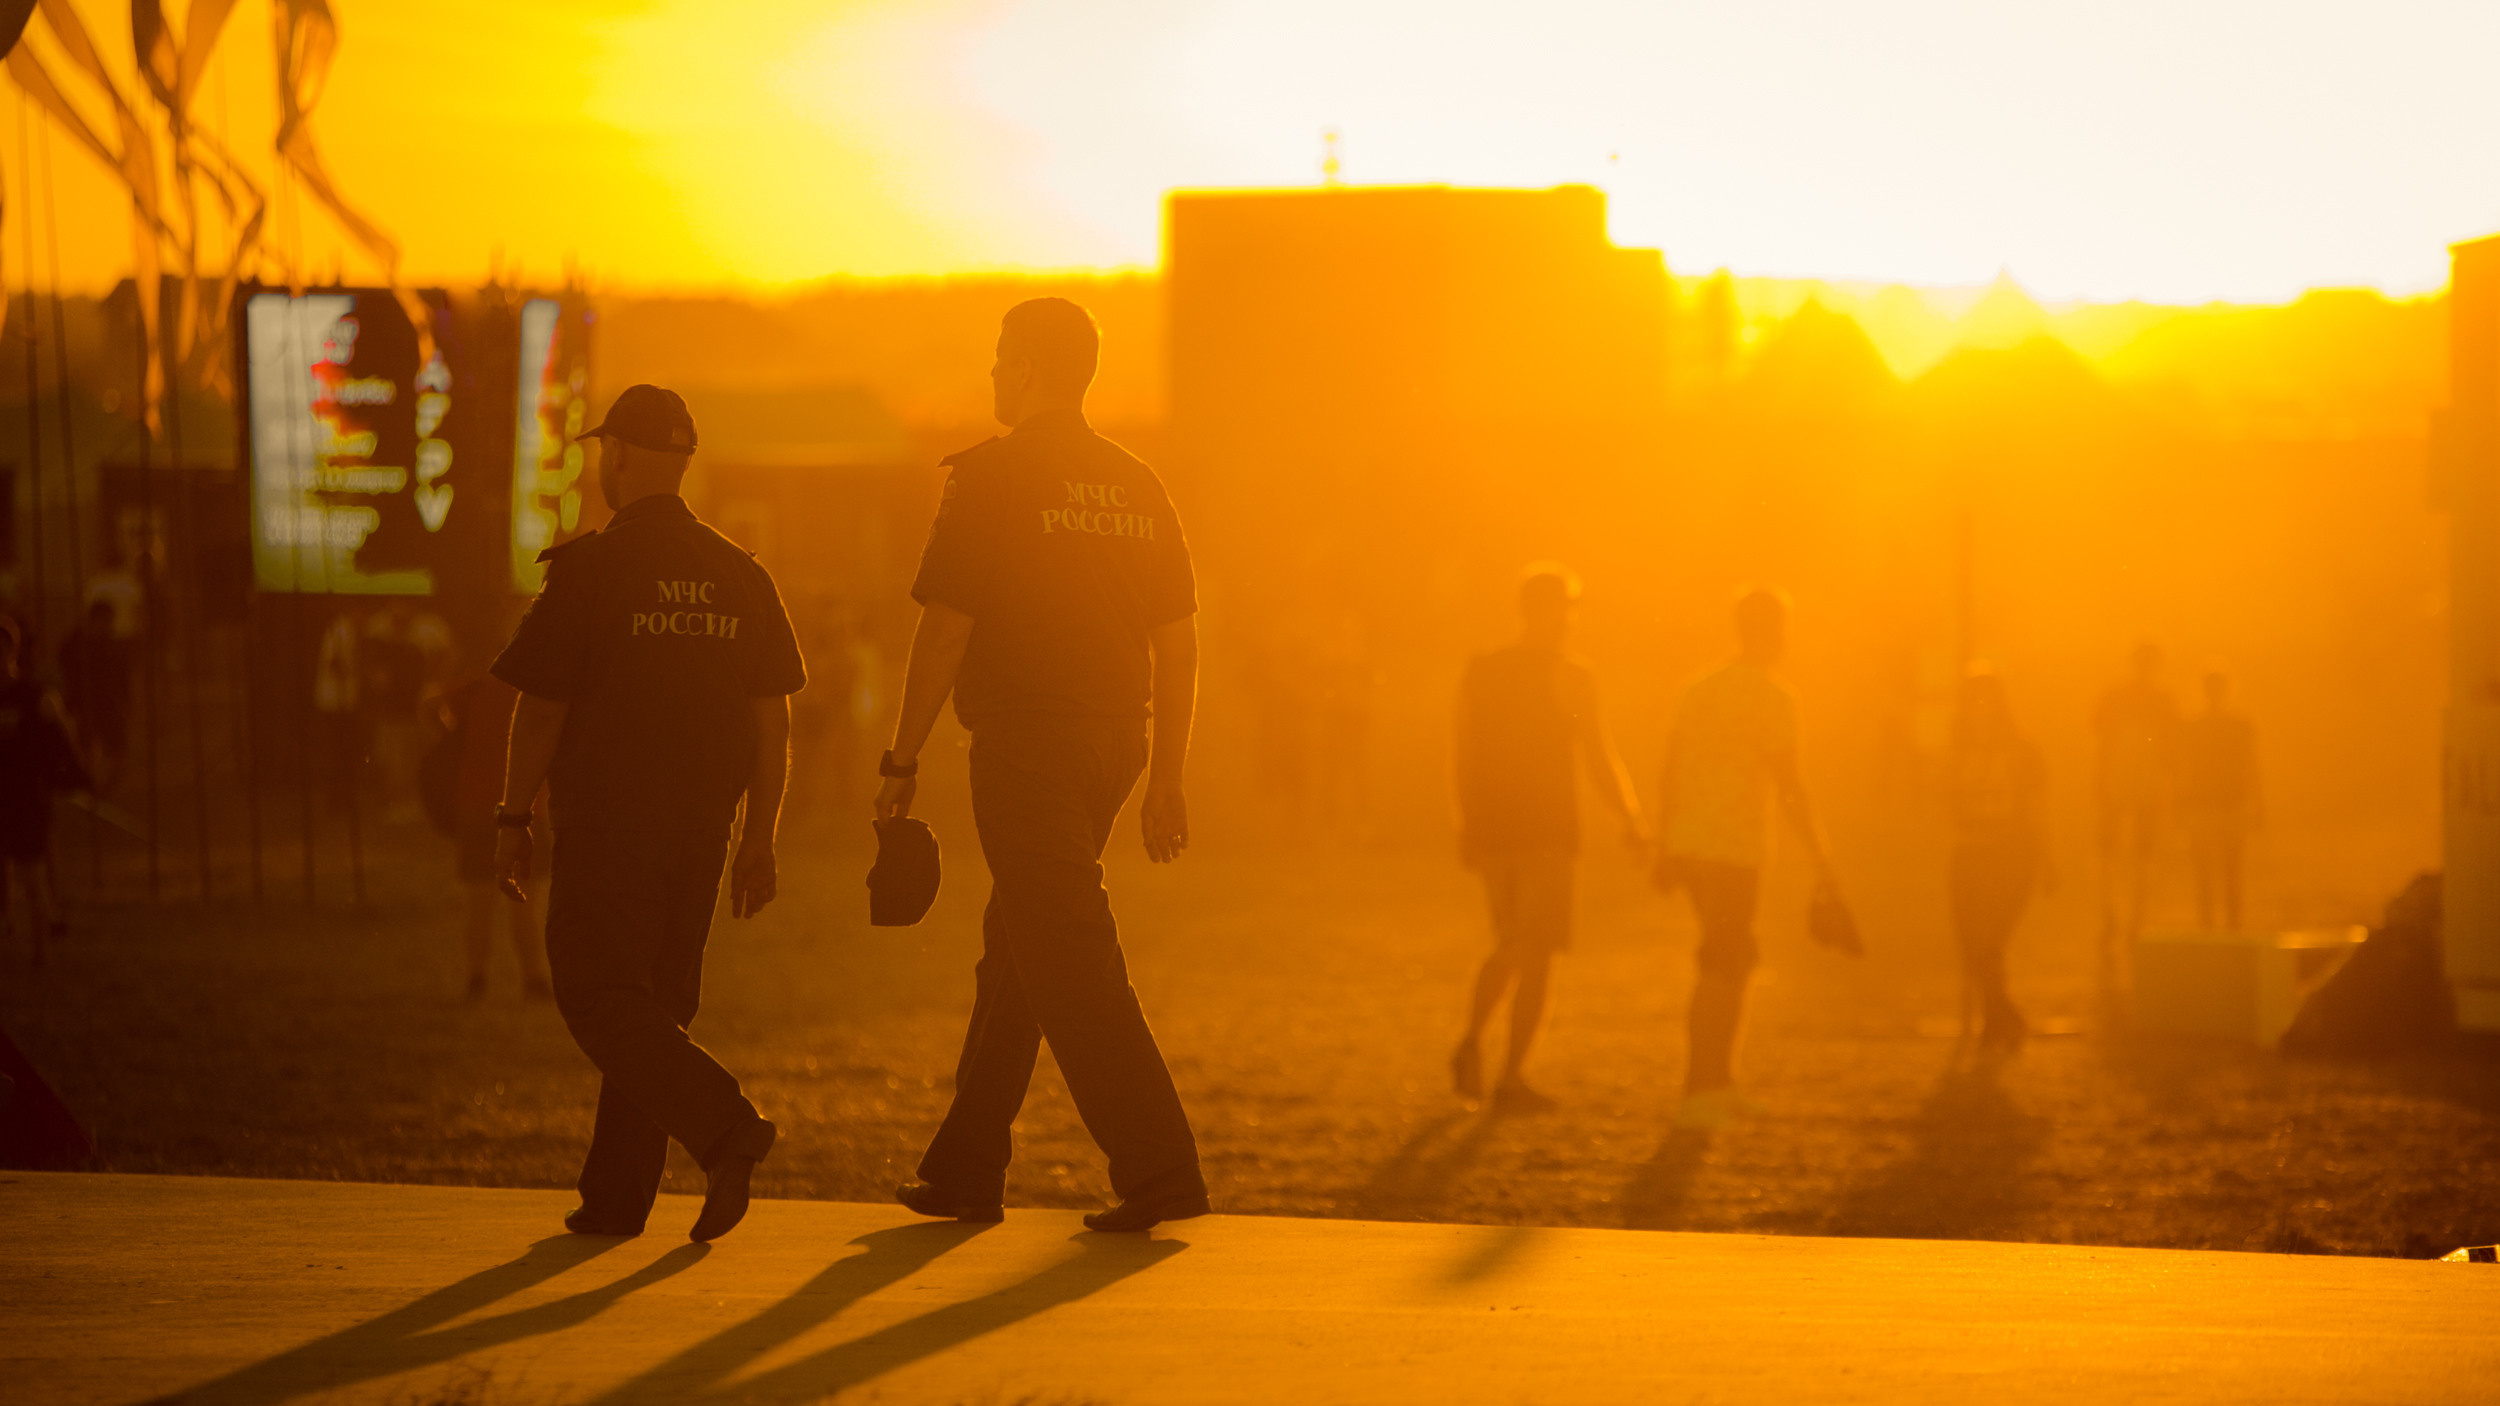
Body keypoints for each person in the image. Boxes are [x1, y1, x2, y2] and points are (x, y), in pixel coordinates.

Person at [880, 297, 1210, 1234]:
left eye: (997, 360)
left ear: (1026, 369)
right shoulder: (1137, 482)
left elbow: (945, 631)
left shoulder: (989, 478)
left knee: (1067, 950)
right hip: (1116, 745)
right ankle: (966, 1165)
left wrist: (900, 756)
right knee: (1019, 947)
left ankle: (1160, 1169)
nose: (989, 377)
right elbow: (1179, 642)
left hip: (1030, 746)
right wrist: (1169, 775)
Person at [491, 383, 806, 1244]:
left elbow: (543, 708)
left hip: (609, 827)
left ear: (619, 457)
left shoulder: (592, 569)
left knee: (597, 995)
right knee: (653, 1013)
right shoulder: (742, 574)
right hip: (704, 831)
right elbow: (772, 722)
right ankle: (616, 1197)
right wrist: (762, 839)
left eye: (604, 452)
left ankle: (726, 1128)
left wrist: (512, 817)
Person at [1449, 566, 1645, 1112]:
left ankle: (1471, 1047)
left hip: (1492, 829)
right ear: (1549, 611)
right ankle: (1509, 1077)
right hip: (1546, 831)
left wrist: (1464, 820)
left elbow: (1461, 753)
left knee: (1512, 942)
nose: (1570, 620)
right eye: (1566, 609)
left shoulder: (1481, 669)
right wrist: (1631, 815)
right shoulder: (1572, 675)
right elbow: (1599, 755)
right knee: (1534, 952)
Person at [1652, 589, 1840, 1129]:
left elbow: (1670, 768)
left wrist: (1666, 845)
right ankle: (1699, 1090)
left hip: (1692, 845)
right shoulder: (1773, 697)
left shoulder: (1698, 689)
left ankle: (1720, 1083)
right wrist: (1820, 852)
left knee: (1733, 958)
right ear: (1776, 632)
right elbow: (1790, 785)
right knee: (1722, 961)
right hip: (1733, 849)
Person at [432, 667, 553, 1002]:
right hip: (526, 805)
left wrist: (449, 737)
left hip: (477, 805)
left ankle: (477, 978)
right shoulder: (542, 688)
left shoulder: (476, 687)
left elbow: (429, 704)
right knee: (525, 902)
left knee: (479, 899)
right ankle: (533, 978)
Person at [1946, 667, 2048, 1053]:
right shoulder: (1958, 750)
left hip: (2011, 856)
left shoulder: (2024, 750)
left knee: (1989, 942)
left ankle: (2004, 1020)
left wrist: (2049, 858)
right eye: (1971, 700)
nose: (1978, 708)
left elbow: (2038, 809)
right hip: (1968, 855)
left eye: (1985, 699)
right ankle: (2001, 1021)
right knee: (1970, 945)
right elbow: (1947, 804)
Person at [0, 615, 88, 971]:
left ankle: (41, 953)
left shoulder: (34, 697)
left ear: (11, 651)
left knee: (33, 876)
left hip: (26, 799)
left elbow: (60, 745)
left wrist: (71, 778)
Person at [2093, 642, 2178, 996]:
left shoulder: (2125, 697)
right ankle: (2123, 920)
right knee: (2122, 856)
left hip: (2131, 782)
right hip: (2132, 782)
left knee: (2121, 856)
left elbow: (2100, 738)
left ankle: (2121, 920)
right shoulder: (2158, 700)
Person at [2178, 666, 2259, 930]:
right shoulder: (2241, 725)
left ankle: (2208, 928)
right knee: (2231, 870)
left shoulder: (2193, 726)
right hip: (2230, 804)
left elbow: (2183, 771)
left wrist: (2179, 806)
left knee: (2206, 874)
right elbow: (2251, 767)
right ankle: (2232, 928)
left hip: (2204, 805)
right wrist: (2258, 803)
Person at [56, 601, 130, 793]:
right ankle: (91, 782)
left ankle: (103, 784)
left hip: (108, 702)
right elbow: (65, 668)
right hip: (83, 701)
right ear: (93, 620)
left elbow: (122, 675)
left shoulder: (111, 645)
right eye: (104, 621)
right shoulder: (75, 644)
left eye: (109, 621)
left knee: (117, 746)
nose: (107, 626)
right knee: (87, 744)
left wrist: (125, 700)